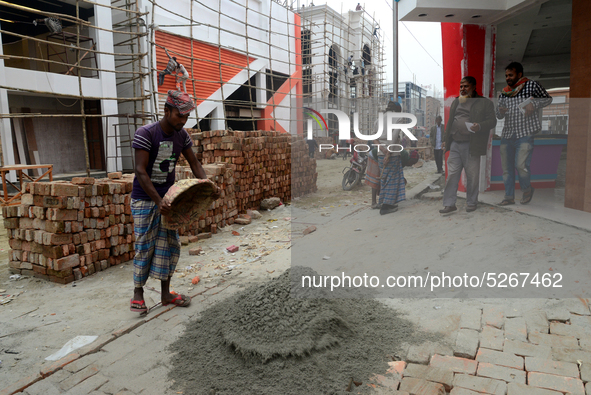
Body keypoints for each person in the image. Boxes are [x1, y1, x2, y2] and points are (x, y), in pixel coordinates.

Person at [130, 90, 220, 313]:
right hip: (145, 199)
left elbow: (195, 164)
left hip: (170, 199)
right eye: (180, 116)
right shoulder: (146, 133)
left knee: (169, 247)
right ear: (166, 111)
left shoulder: (182, 136)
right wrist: (158, 200)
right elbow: (140, 171)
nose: (183, 121)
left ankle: (165, 294)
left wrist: (209, 186)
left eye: (186, 117)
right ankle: (138, 294)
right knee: (145, 246)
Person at [496, 62, 552, 206]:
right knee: (507, 169)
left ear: (519, 74)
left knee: (521, 166)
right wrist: (500, 111)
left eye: (511, 75)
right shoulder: (504, 92)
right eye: (506, 75)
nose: (508, 78)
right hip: (507, 135)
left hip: (525, 133)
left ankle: (527, 190)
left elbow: (547, 99)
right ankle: (509, 197)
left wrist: (534, 104)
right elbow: (498, 115)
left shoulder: (532, 86)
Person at [439, 76, 496, 215]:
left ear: (474, 87)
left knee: (472, 176)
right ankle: (449, 204)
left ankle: (471, 202)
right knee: (452, 175)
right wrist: (446, 140)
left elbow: (492, 121)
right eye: (461, 86)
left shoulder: (484, 103)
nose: (463, 89)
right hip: (455, 145)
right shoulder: (456, 102)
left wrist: (480, 126)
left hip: (472, 145)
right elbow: (450, 122)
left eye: (466, 86)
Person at [378, 101, 405, 215]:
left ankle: (383, 201)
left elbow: (374, 136)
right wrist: (388, 153)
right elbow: (393, 138)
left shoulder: (380, 118)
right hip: (392, 153)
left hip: (380, 153)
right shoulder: (398, 118)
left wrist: (383, 150)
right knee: (392, 179)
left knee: (384, 178)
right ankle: (387, 206)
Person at [365, 137, 381, 209]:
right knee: (375, 179)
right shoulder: (372, 140)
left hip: (378, 154)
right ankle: (373, 203)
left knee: (380, 179)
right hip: (374, 156)